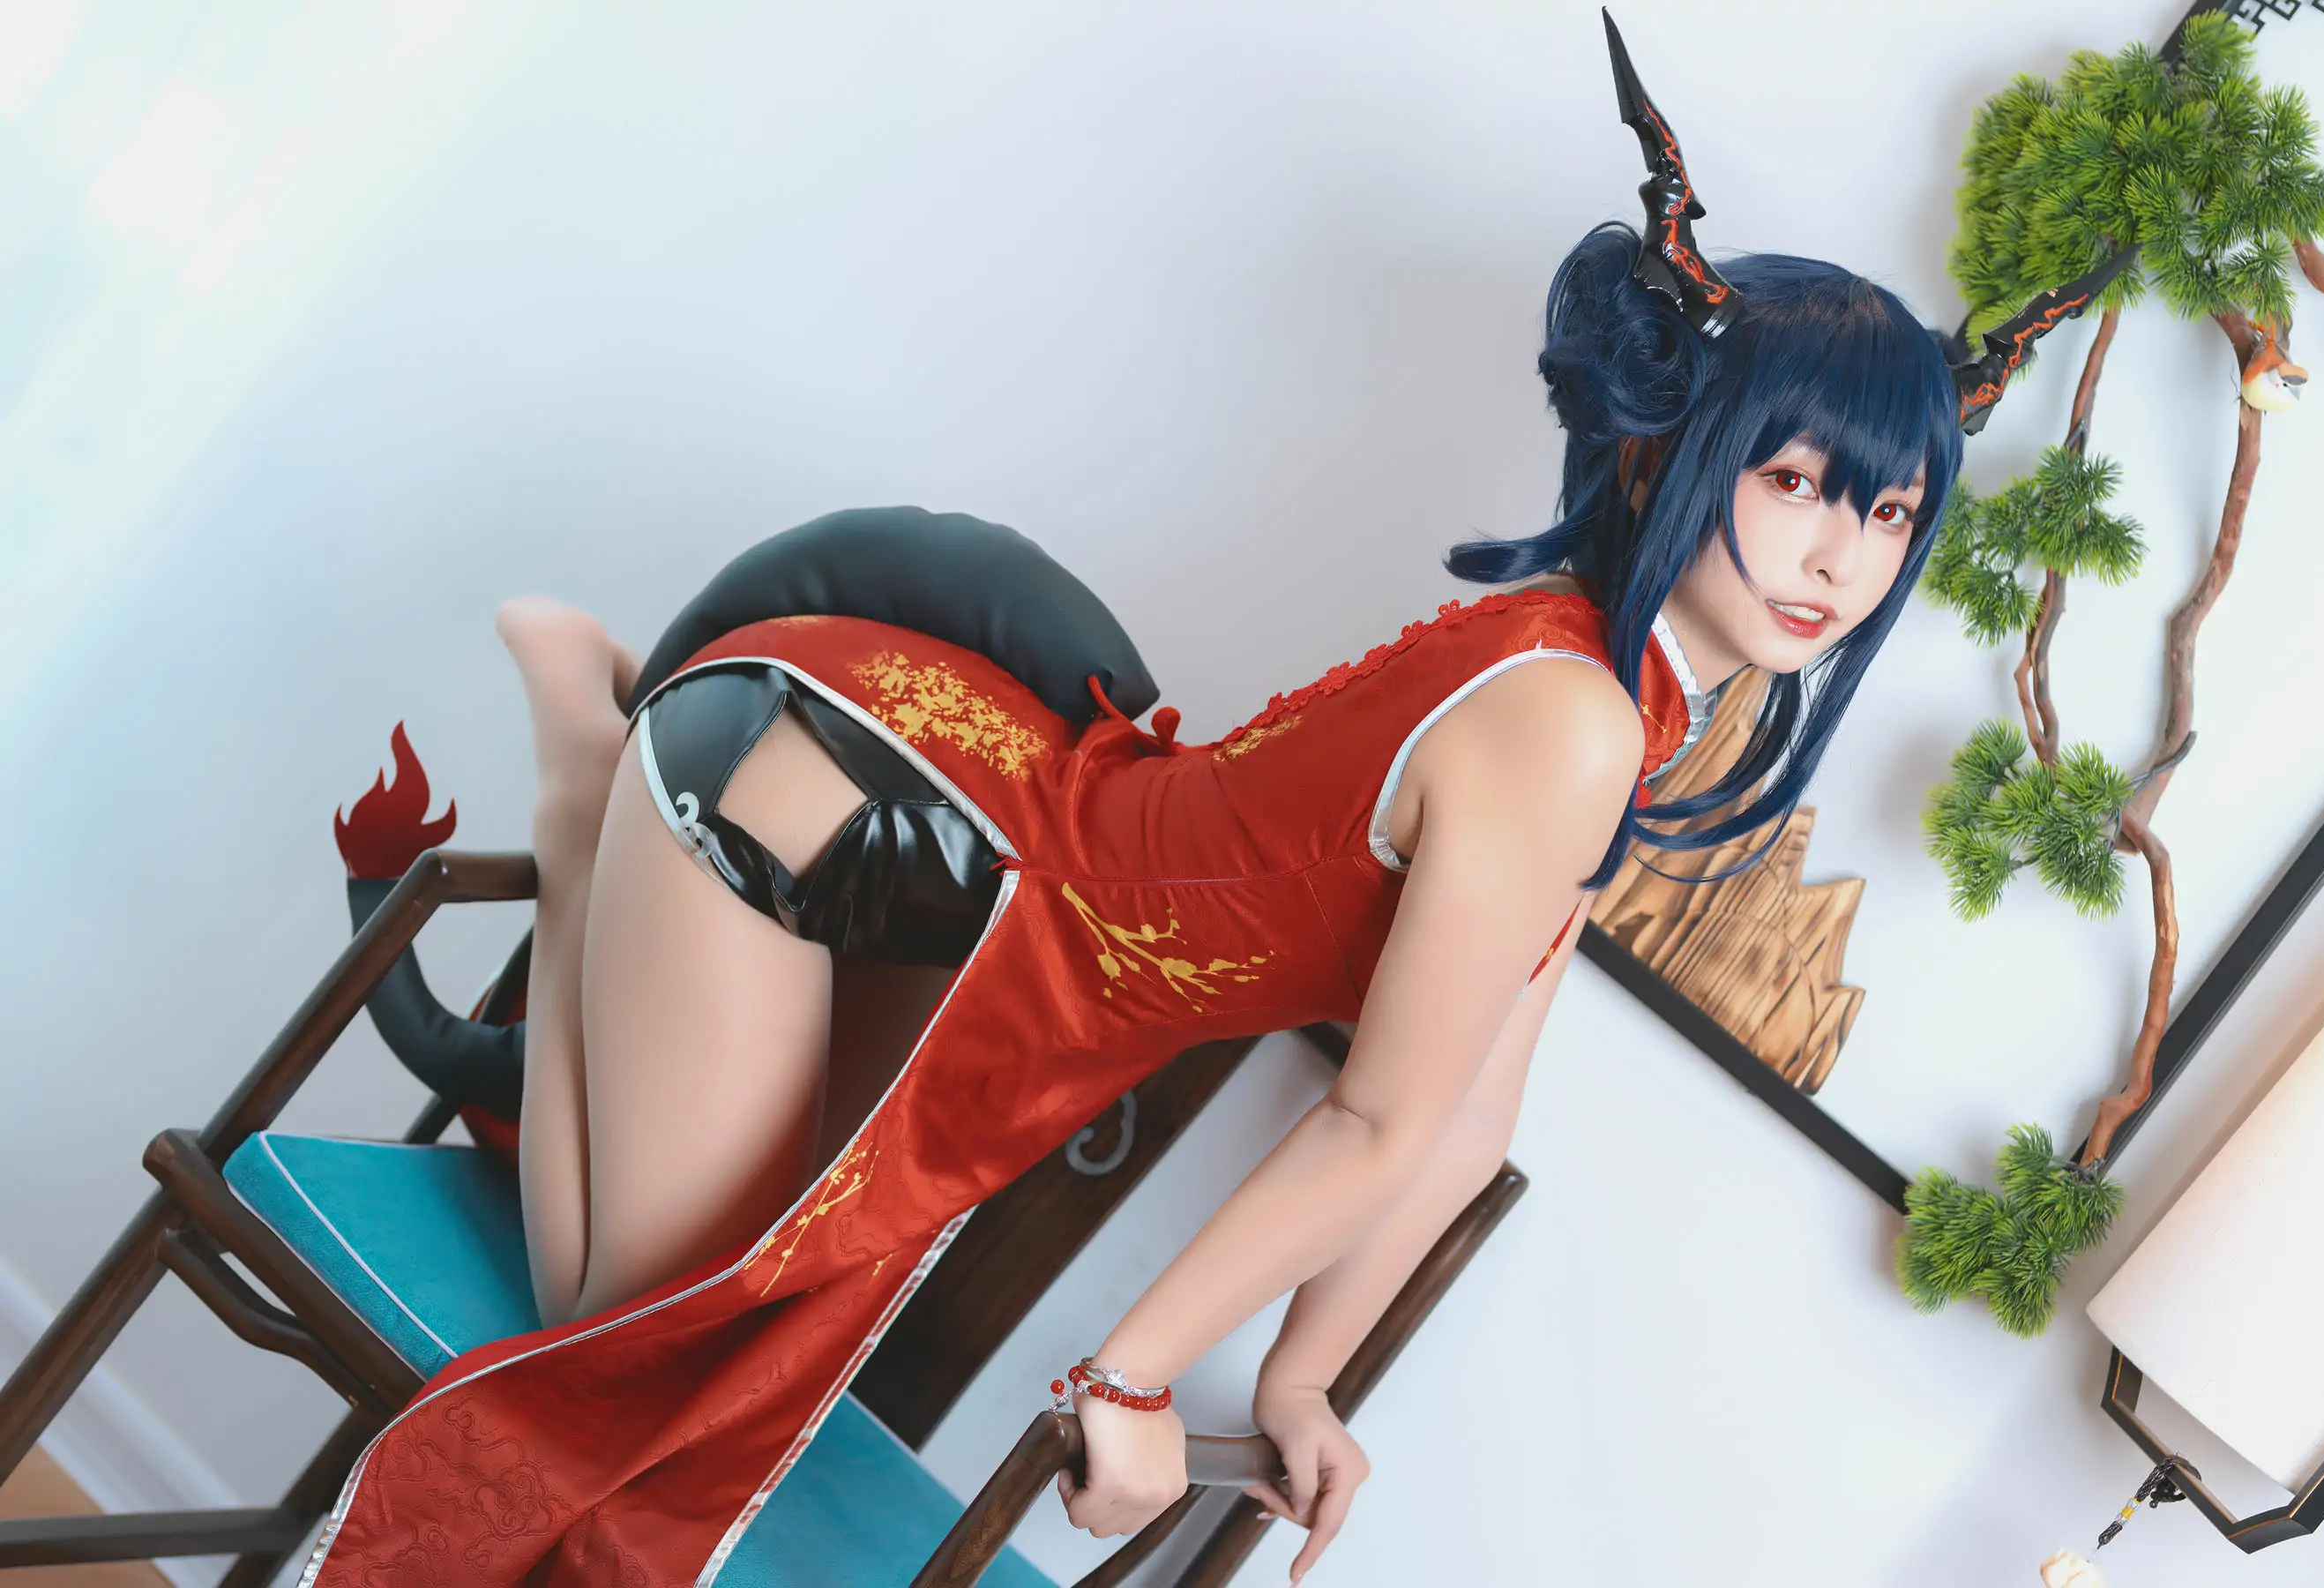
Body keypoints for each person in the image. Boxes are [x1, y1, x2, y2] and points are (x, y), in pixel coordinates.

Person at [302, 20, 2111, 1587]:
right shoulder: (1566, 715)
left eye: (1888, 513)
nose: (1839, 557)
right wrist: (1132, 1374)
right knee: (621, 1342)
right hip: (847, 796)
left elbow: (1455, 1125)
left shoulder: (1604, 711)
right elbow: (1375, 1121)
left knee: (673, 1338)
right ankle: (592, 767)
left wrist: (1300, 1381)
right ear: (1675, 454)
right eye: (1798, 483)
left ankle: (603, 761)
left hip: (977, 898)